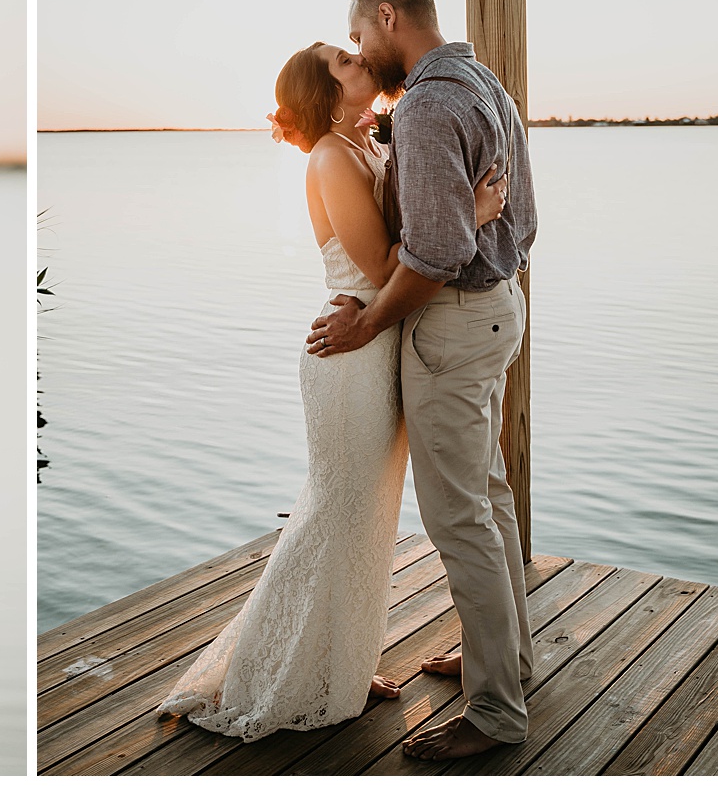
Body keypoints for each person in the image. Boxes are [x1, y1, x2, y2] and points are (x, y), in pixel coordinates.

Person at [157, 38, 506, 740]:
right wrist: (466, 215)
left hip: (376, 345)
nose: (357, 60)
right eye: (340, 61)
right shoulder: (330, 156)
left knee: (365, 516)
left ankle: (337, 664)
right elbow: (379, 265)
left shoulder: (366, 142)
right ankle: (280, 670)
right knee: (334, 513)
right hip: (349, 355)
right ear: (324, 89)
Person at [306, 0, 538, 762]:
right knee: (492, 496)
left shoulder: (432, 103)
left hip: (455, 323)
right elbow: (517, 216)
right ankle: (506, 659)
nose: (363, 55)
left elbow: (436, 253)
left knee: (459, 517)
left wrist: (367, 320)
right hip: (500, 303)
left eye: (359, 39)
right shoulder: (482, 82)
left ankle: (497, 711)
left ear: (384, 16)